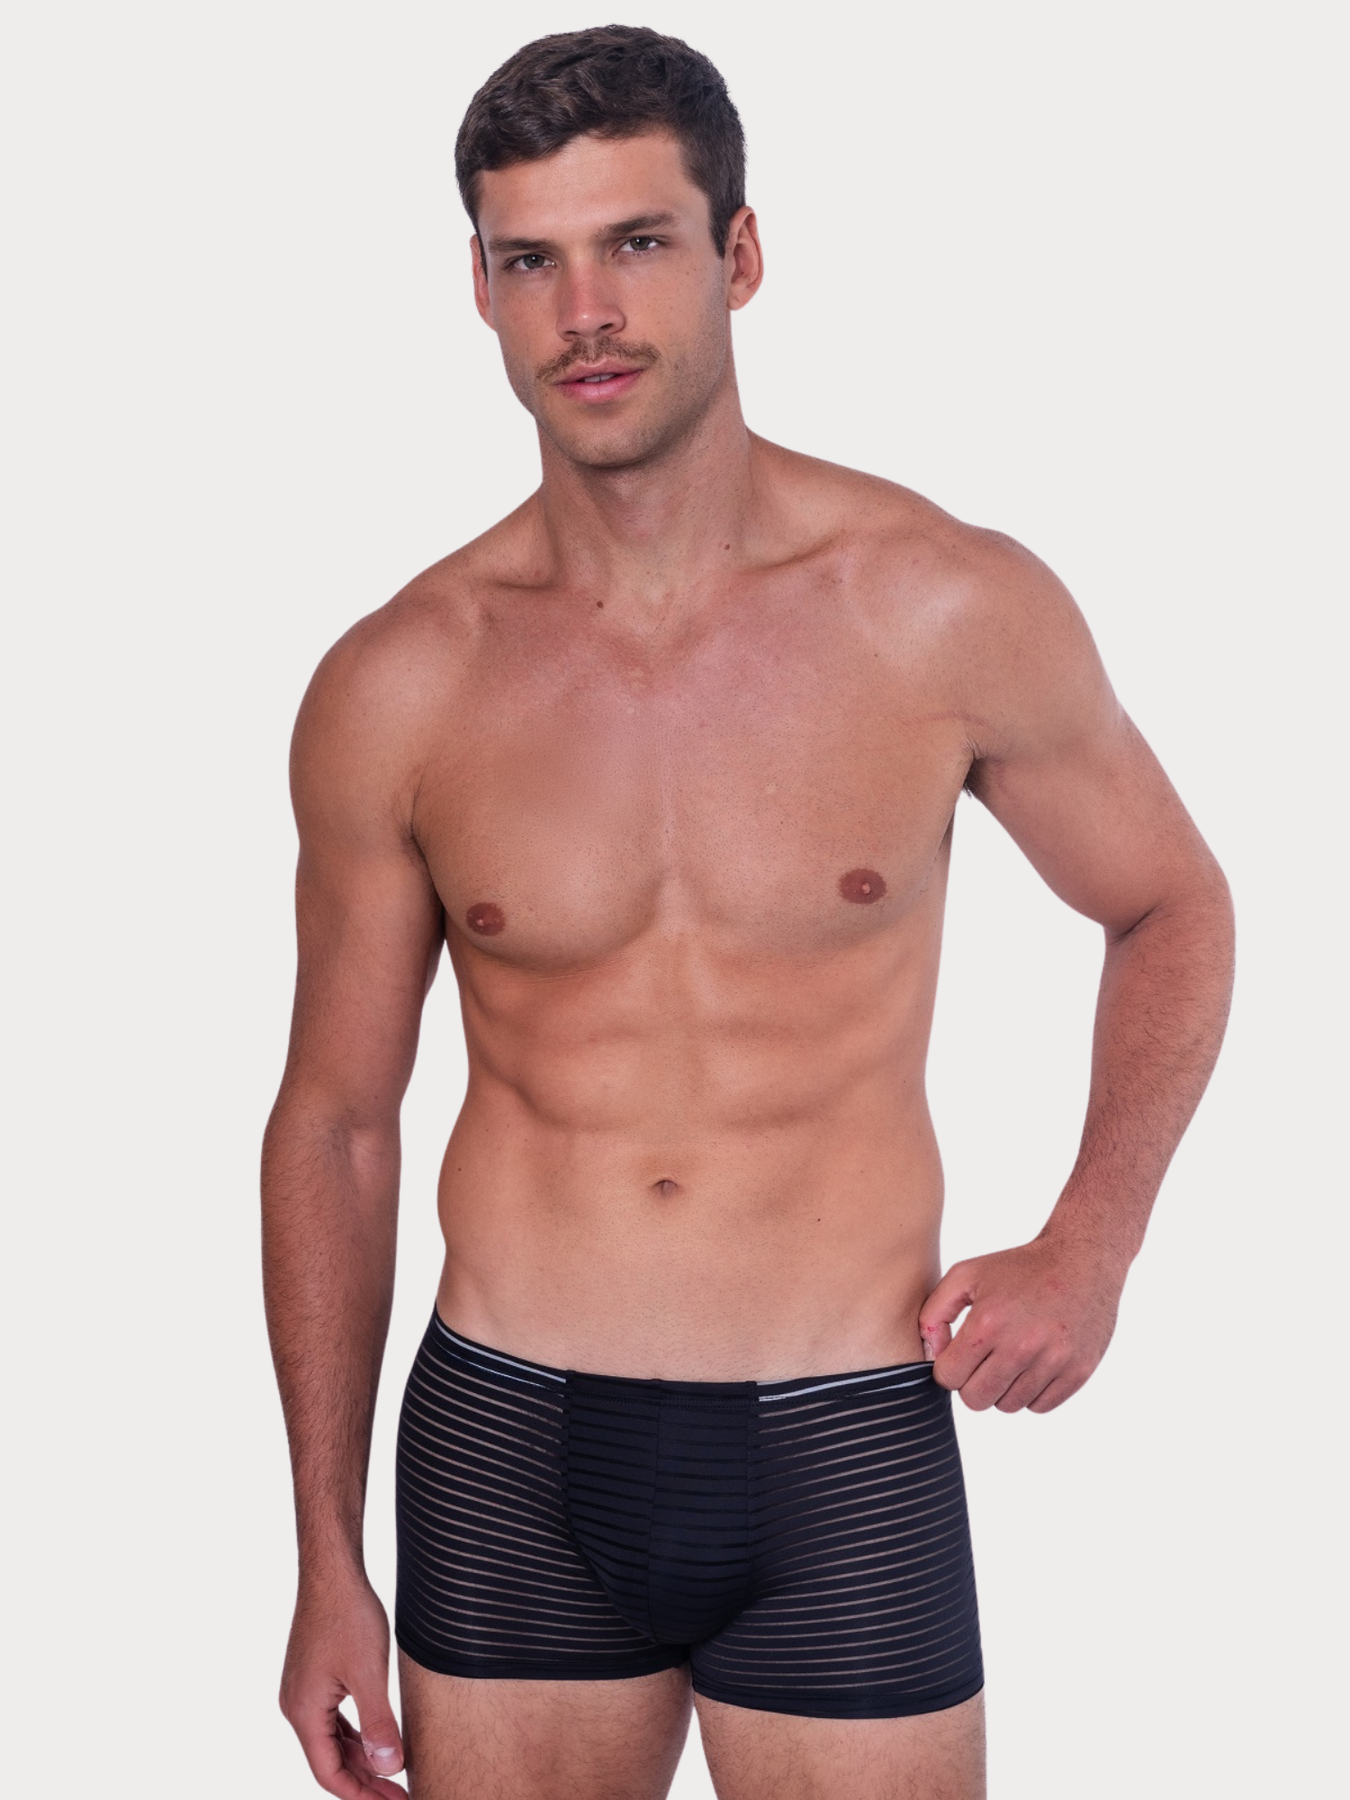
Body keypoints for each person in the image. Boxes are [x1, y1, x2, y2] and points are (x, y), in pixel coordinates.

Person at [261, 24, 1234, 1800]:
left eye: (636, 243)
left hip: (842, 1435)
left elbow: (1169, 902)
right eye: (529, 261)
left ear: (740, 252)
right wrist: (326, 1551)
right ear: (476, 289)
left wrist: (1091, 1241)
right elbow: (335, 1122)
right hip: (505, 1446)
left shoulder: (939, 608)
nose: (585, 314)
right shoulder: (402, 681)